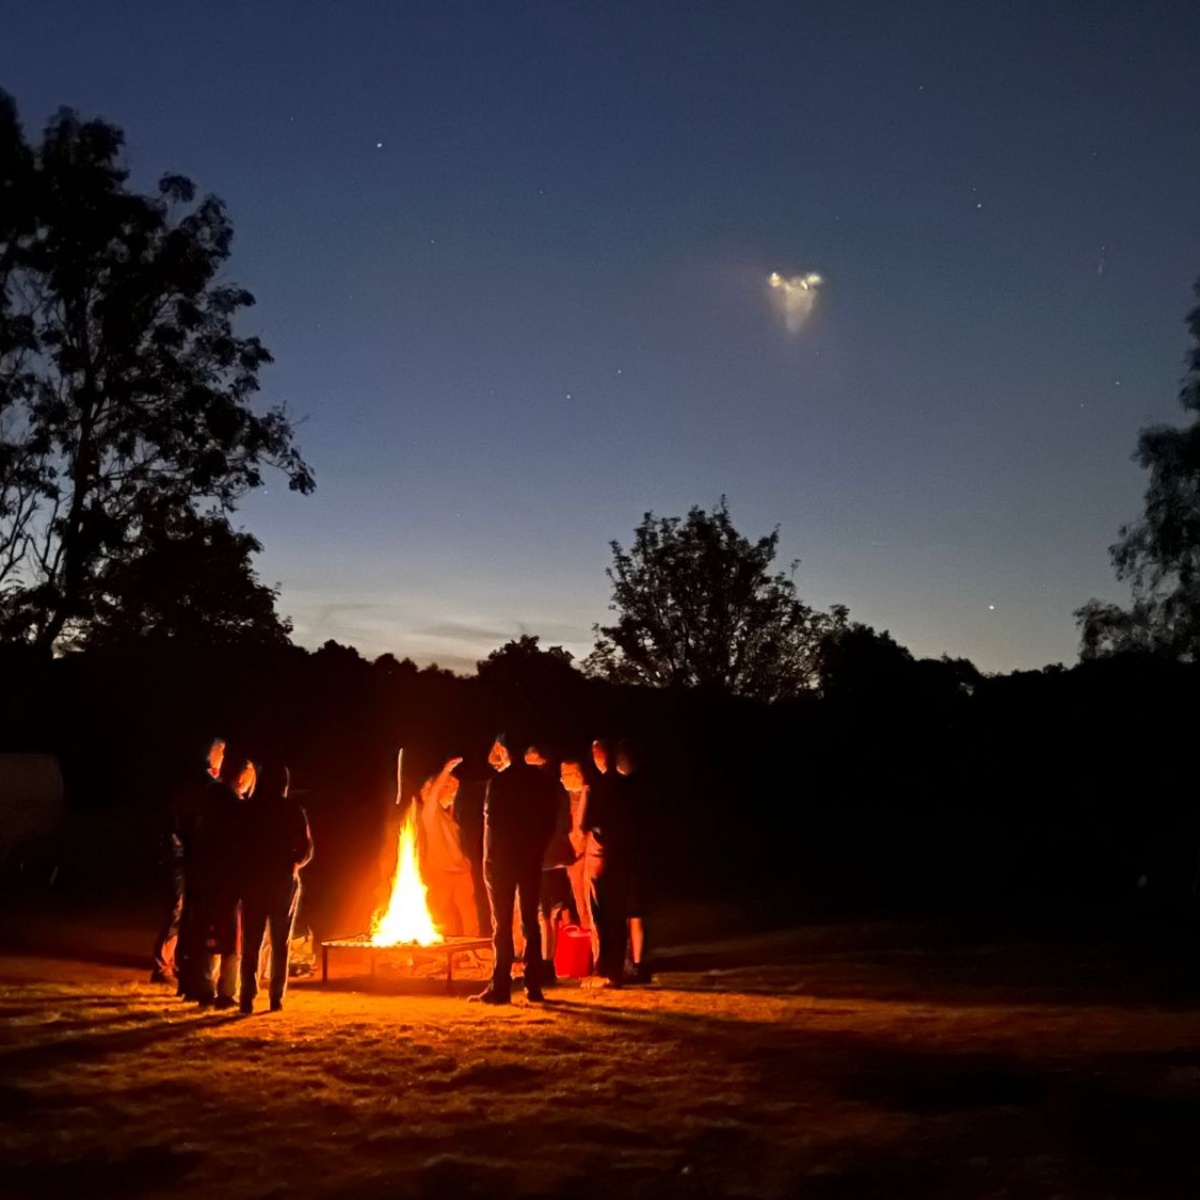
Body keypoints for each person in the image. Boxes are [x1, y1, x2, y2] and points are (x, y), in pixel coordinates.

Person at [472, 734, 559, 1005]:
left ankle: (501, 986)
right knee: (530, 921)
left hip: (503, 862)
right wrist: (538, 849)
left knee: (502, 924)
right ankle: (533, 985)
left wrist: (489, 860)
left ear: (504, 751)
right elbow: (549, 820)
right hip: (529, 859)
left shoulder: (500, 782)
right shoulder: (540, 781)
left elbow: (492, 823)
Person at [239, 763, 314, 1014]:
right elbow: (307, 847)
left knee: (252, 940)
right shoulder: (292, 810)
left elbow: (240, 846)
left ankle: (247, 996)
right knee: (280, 941)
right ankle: (275, 998)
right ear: (284, 784)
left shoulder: (250, 810)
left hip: (254, 880)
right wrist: (295, 863)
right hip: (282, 879)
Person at [153, 736, 224, 988]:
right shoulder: (202, 786)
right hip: (182, 858)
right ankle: (163, 965)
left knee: (188, 910)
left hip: (188, 857)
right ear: (212, 755)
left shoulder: (205, 784)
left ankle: (181, 963)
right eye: (221, 752)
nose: (224, 757)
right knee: (179, 907)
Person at [192, 752, 254, 1009]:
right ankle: (226, 992)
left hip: (207, 878)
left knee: (209, 934)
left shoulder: (207, 802)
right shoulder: (236, 809)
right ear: (241, 777)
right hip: (229, 881)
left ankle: (205, 989)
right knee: (231, 939)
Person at [583, 737, 633, 988]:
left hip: (601, 859)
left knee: (601, 915)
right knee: (618, 914)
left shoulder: (597, 787)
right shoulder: (628, 786)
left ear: (598, 757)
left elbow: (587, 823)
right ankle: (617, 969)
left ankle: (605, 969)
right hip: (623, 858)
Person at [527, 745, 575, 984]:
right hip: (558, 858)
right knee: (552, 913)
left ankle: (545, 965)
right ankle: (550, 963)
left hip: (544, 859)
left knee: (544, 915)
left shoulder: (540, 789)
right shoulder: (559, 789)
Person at [417, 756, 480, 937]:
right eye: (449, 786)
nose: (453, 791)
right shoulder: (429, 814)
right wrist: (446, 771)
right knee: (438, 915)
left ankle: (471, 950)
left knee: (470, 915)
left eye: (455, 788)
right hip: (440, 873)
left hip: (460, 872)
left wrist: (466, 862)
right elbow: (434, 795)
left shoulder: (451, 820)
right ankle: (433, 954)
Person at [616, 739, 653, 984]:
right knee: (634, 912)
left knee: (629, 911)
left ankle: (633, 962)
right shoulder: (642, 788)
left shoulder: (621, 789)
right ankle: (635, 962)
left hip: (625, 855)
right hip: (637, 854)